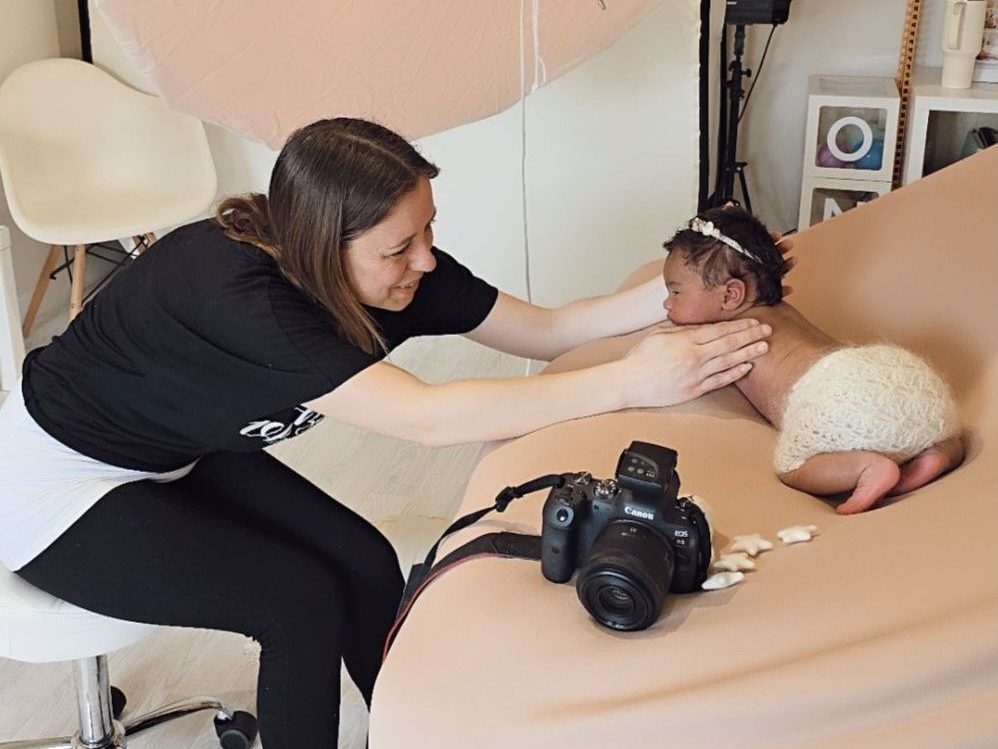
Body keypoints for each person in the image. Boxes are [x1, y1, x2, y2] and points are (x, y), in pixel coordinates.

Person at [0, 118, 776, 748]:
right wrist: (630, 381)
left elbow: (551, 328)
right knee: (295, 602)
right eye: (398, 247)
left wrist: (693, 293)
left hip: (174, 449)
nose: (425, 259)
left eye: (427, 230)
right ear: (320, 243)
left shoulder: (395, 272)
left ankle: (406, 733)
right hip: (55, 485)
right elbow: (426, 419)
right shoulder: (245, 299)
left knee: (365, 559)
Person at [661, 206, 964, 515]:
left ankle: (867, 468)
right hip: (898, 372)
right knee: (933, 424)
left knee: (792, 466)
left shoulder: (724, 332)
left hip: (834, 397)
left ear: (730, 296)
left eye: (675, 292)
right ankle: (942, 450)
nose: (666, 303)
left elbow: (679, 358)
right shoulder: (783, 310)